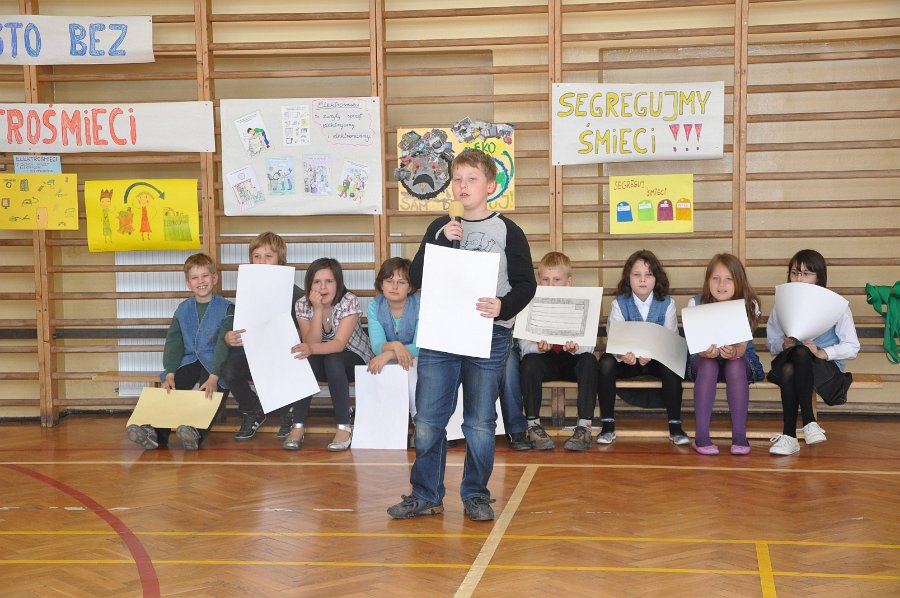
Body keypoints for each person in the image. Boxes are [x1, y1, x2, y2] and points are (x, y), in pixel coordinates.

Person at [387, 148, 536, 522]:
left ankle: (476, 495)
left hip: (489, 334)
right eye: (457, 179)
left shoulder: (508, 231)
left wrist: (503, 305)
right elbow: (416, 278)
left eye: (472, 179)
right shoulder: (440, 226)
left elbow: (526, 284)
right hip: (442, 334)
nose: (463, 185)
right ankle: (426, 495)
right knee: (428, 420)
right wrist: (439, 240)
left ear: (490, 186)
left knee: (479, 422)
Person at [126, 253, 232, 451]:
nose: (201, 281)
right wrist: (170, 373)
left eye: (205, 276)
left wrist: (214, 376)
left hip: (215, 362)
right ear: (188, 283)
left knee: (209, 391)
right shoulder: (183, 309)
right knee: (171, 388)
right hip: (189, 360)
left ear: (214, 278)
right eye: (195, 278)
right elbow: (174, 343)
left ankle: (196, 432)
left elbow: (222, 345)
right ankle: (156, 433)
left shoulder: (227, 308)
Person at [766, 249, 859, 455]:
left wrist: (822, 352)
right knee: (798, 354)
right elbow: (771, 342)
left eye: (806, 274)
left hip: (823, 368)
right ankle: (809, 422)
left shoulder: (835, 305)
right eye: (794, 273)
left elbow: (852, 346)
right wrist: (783, 345)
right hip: (790, 360)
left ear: (819, 277)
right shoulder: (782, 303)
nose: (799, 278)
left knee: (793, 364)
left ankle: (789, 437)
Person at [598, 250, 689, 446]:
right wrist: (623, 355)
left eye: (648, 274)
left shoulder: (667, 304)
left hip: (655, 361)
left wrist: (653, 354)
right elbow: (615, 337)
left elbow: (670, 339)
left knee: (672, 365)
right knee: (605, 363)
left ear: (656, 278)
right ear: (628, 277)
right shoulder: (619, 304)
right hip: (628, 361)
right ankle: (607, 425)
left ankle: (675, 425)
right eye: (636, 274)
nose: (642, 280)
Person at [220, 232, 304, 441]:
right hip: (255, 354)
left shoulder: (295, 294)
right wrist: (229, 337)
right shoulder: (247, 291)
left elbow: (305, 333)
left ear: (280, 260)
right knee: (229, 369)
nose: (262, 261)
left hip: (285, 356)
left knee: (286, 362)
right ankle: (253, 409)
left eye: (268, 256)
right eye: (256, 256)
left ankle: (288, 412)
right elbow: (236, 326)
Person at [288, 258, 373, 451]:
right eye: (317, 282)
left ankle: (344, 427)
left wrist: (310, 348)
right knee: (304, 359)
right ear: (309, 285)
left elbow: (339, 344)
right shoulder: (303, 304)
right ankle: (298, 425)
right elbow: (312, 342)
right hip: (322, 358)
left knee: (333, 359)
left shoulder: (349, 301)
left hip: (354, 357)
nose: (322, 287)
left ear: (338, 283)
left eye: (329, 281)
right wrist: (318, 309)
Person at [519, 251, 598, 451]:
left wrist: (576, 348)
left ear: (568, 282)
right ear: (539, 280)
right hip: (545, 360)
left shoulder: (583, 302)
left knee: (589, 361)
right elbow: (524, 346)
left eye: (557, 279)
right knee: (529, 362)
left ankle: (584, 427)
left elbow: (590, 346)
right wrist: (537, 347)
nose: (550, 284)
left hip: (571, 360)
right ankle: (533, 425)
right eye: (545, 279)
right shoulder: (529, 302)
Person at [687, 253, 765, 456]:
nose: (721, 284)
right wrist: (705, 352)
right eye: (716, 278)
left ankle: (739, 435)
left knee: (735, 364)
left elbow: (742, 347)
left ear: (739, 281)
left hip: (740, 360)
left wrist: (734, 351)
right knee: (708, 364)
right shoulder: (696, 303)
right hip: (704, 362)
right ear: (708, 280)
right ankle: (701, 436)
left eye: (729, 279)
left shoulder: (749, 304)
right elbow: (696, 344)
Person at [367, 257, 420, 447]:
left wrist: (392, 351)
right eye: (389, 281)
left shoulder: (420, 304)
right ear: (381, 284)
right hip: (387, 355)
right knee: (377, 369)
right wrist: (395, 347)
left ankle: (419, 424)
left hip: (418, 357)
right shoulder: (375, 305)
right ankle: (388, 428)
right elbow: (377, 345)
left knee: (411, 373)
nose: (394, 286)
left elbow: (420, 346)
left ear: (410, 287)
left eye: (401, 282)